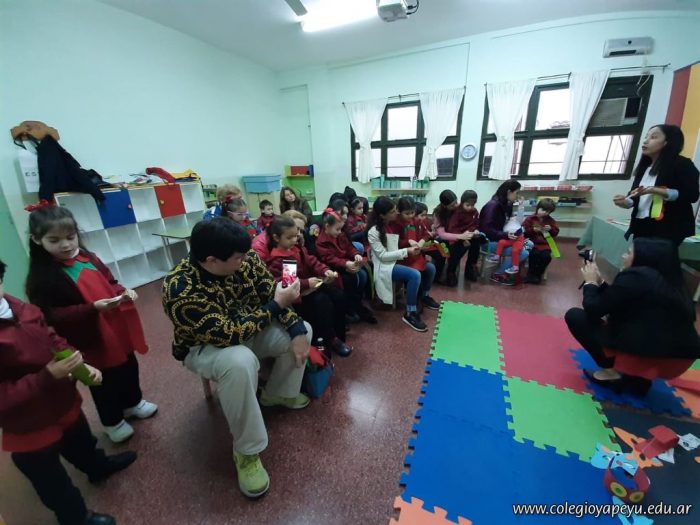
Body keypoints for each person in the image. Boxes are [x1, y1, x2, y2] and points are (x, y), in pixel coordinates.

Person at [162, 218, 312, 498]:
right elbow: (227, 333)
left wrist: (296, 329)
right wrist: (276, 305)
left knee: (304, 330)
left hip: (250, 325)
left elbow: (272, 293)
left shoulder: (246, 259)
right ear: (211, 260)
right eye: (238, 258)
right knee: (240, 362)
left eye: (245, 255)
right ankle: (247, 451)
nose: (245, 261)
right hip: (204, 346)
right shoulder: (179, 287)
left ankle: (277, 393)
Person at [1, 259, 136, 525]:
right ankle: (76, 517)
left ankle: (97, 467)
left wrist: (79, 363)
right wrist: (47, 376)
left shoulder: (17, 307)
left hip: (61, 399)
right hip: (28, 421)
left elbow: (52, 338)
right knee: (49, 477)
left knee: (80, 440)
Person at [26, 206, 157, 444]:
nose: (66, 245)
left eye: (70, 237)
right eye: (54, 240)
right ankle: (112, 421)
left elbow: (111, 281)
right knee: (103, 380)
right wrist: (92, 308)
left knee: (128, 366)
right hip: (90, 337)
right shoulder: (43, 277)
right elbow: (50, 315)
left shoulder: (90, 258)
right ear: (37, 240)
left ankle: (133, 403)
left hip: (115, 327)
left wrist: (122, 291)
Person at [565, 237, 700, 395]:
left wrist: (590, 283)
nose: (623, 256)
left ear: (643, 258)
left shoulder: (636, 276)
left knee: (575, 317)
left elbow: (593, 308)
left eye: (628, 253)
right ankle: (639, 378)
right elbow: (619, 299)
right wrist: (600, 283)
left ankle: (613, 373)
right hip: (678, 361)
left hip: (646, 356)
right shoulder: (672, 281)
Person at [266, 216, 351, 357]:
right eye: (290, 237)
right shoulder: (279, 258)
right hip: (297, 296)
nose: (295, 239)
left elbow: (312, 261)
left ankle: (336, 335)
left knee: (338, 295)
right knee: (322, 303)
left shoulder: (296, 248)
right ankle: (324, 340)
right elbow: (289, 283)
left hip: (310, 286)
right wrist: (307, 283)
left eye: (296, 235)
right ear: (276, 238)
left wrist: (325, 270)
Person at [613, 125, 700, 246]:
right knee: (639, 257)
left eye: (653, 137)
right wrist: (626, 201)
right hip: (641, 225)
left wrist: (655, 190)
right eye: (646, 137)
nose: (645, 141)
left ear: (667, 142)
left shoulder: (682, 164)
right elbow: (637, 195)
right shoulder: (644, 167)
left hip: (668, 228)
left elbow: (692, 195)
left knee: (656, 258)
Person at [367, 197, 429, 332]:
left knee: (427, 268)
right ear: (382, 215)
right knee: (414, 275)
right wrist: (407, 250)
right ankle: (410, 312)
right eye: (393, 211)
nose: (396, 213)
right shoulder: (374, 231)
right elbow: (383, 256)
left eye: (396, 210)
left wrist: (410, 246)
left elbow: (400, 242)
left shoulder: (393, 224)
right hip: (385, 265)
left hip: (397, 258)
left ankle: (422, 298)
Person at [316, 208, 376, 324]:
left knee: (364, 271)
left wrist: (356, 255)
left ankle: (358, 304)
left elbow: (349, 248)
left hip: (345, 264)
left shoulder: (340, 235)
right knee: (349, 280)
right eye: (337, 229)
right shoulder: (321, 242)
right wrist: (346, 264)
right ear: (327, 226)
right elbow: (329, 259)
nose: (340, 232)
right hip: (332, 269)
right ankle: (351, 308)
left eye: (341, 229)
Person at [480, 180, 531, 286]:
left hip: (500, 238)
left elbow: (509, 221)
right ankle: (499, 274)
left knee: (528, 244)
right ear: (509, 192)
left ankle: (507, 269)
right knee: (523, 252)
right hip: (488, 241)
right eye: (517, 193)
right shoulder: (493, 206)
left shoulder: (505, 203)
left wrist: (518, 206)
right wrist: (506, 235)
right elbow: (487, 230)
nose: (518, 196)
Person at [393, 197, 439, 310]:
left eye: (412, 212)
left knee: (431, 268)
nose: (410, 216)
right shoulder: (395, 223)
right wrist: (408, 242)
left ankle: (424, 296)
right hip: (402, 258)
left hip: (416, 255)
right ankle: (415, 301)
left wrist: (422, 241)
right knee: (416, 273)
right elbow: (394, 242)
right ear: (399, 211)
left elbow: (426, 234)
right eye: (407, 213)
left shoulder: (416, 221)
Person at [431, 190, 473, 286]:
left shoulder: (459, 209)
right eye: (452, 205)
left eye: (456, 202)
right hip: (441, 239)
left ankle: (452, 270)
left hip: (455, 238)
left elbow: (464, 224)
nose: (455, 206)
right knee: (443, 247)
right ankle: (446, 273)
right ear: (444, 205)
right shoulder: (438, 213)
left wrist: (465, 236)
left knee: (468, 244)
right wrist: (460, 237)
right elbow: (442, 234)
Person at [446, 190, 484, 284]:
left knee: (476, 242)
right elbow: (452, 228)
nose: (470, 207)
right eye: (467, 205)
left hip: (469, 235)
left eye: (472, 205)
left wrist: (475, 230)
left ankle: (470, 268)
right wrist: (462, 238)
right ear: (462, 202)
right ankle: (451, 271)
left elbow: (476, 224)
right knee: (457, 251)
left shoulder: (474, 212)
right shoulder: (457, 212)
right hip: (457, 237)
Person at [486, 197, 528, 276]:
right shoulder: (502, 221)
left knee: (516, 250)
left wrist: (521, 204)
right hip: (508, 238)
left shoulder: (516, 220)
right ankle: (497, 257)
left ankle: (515, 267)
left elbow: (520, 214)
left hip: (518, 238)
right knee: (501, 242)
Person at [522, 198, 560, 284]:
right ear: (537, 208)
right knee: (533, 255)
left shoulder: (551, 221)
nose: (544, 213)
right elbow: (524, 232)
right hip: (532, 243)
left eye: (547, 212)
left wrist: (551, 229)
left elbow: (555, 233)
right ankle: (530, 275)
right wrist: (533, 230)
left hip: (545, 244)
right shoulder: (530, 219)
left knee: (546, 257)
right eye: (542, 210)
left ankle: (537, 275)